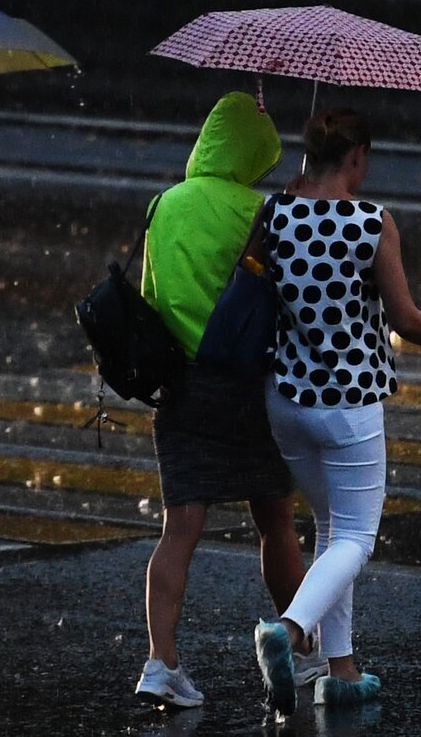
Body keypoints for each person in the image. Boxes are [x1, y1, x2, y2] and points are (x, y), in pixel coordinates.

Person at [253, 108, 421, 714]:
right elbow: (401, 314)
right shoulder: (372, 223)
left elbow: (255, 281)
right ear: (355, 158)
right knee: (357, 537)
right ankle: (287, 634)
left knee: (331, 530)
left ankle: (340, 671)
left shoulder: (274, 212)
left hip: (286, 399)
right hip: (349, 406)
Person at [136, 92, 310, 709]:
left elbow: (150, 297)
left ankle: (161, 662)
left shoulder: (165, 206)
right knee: (275, 521)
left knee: (179, 526)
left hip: (179, 388)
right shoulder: (264, 210)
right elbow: (286, 297)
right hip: (246, 389)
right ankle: (304, 652)